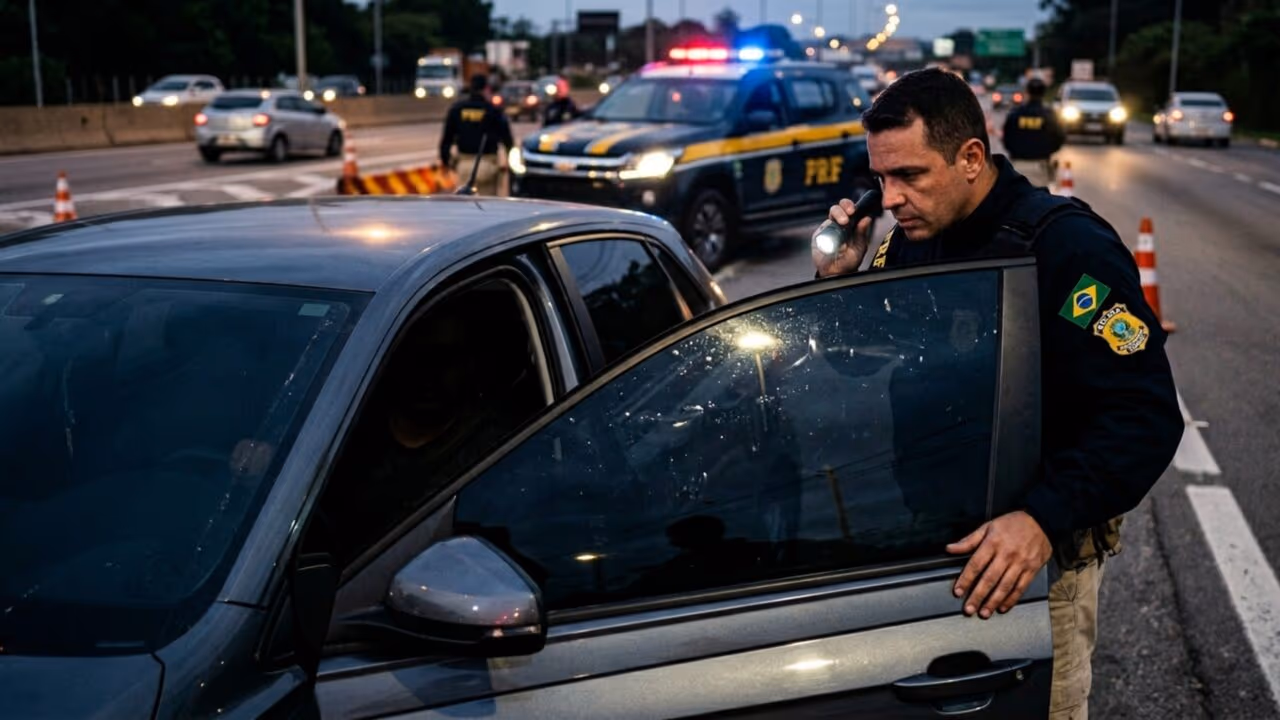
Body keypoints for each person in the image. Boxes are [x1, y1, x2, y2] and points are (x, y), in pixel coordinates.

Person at [814, 68, 1183, 720]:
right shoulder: (908, 245)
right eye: (880, 180)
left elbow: (1144, 414)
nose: (891, 198)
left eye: (910, 176)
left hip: (1033, 569)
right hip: (924, 552)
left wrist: (1041, 517)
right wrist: (837, 284)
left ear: (972, 158)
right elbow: (855, 365)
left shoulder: (1066, 248)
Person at [439, 73, 514, 196]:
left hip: (463, 165)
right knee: (485, 206)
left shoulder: (457, 109)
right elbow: (508, 141)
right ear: (486, 89)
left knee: (466, 204)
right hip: (488, 164)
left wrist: (447, 162)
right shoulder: (493, 111)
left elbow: (446, 141)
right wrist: (509, 166)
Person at [1001, 77, 1066, 187]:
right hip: (1041, 166)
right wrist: (1046, 151)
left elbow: (1006, 137)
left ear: (1027, 92)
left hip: (1018, 165)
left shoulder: (1015, 114)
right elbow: (1059, 138)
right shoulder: (1050, 115)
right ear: (1044, 93)